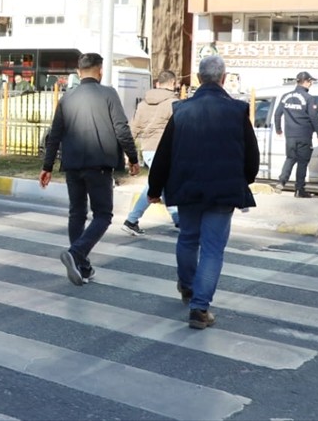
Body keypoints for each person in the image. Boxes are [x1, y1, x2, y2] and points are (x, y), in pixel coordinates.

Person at [147, 55, 258, 330]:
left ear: (198, 78)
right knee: (212, 249)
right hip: (223, 190)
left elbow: (163, 154)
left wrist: (154, 188)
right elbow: (252, 157)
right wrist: (242, 180)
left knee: (188, 238)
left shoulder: (181, 110)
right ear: (223, 78)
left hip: (187, 187)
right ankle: (199, 308)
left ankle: (187, 286)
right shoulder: (237, 111)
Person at [39, 53, 140, 286]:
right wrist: (133, 158)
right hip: (99, 165)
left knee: (77, 213)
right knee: (103, 215)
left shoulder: (67, 98)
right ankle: (76, 254)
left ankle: (82, 268)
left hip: (72, 166)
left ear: (78, 71)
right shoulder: (108, 94)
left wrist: (47, 167)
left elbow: (55, 135)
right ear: (100, 71)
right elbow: (122, 129)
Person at [122, 70, 181, 235]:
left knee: (160, 183)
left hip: (147, 148)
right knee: (157, 184)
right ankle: (131, 220)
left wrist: (129, 154)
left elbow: (133, 129)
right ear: (173, 83)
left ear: (157, 84)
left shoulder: (143, 104)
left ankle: (179, 220)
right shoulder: (174, 104)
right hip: (165, 150)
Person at [274, 71, 318, 197]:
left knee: (290, 158)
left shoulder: (285, 96)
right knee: (302, 162)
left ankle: (281, 182)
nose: (311, 84)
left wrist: (278, 129)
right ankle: (299, 190)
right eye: (310, 81)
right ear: (306, 81)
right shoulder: (308, 98)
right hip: (304, 134)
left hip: (290, 134)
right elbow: (313, 117)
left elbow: (277, 114)